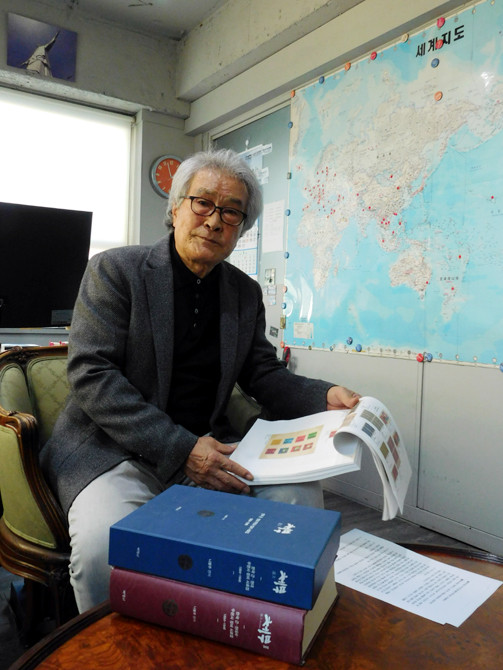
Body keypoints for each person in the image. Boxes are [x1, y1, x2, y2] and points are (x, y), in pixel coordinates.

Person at [41, 148, 360, 613]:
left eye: (231, 212)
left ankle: (262, 625)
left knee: (300, 500)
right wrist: (181, 448)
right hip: (113, 450)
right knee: (103, 549)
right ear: (175, 208)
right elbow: (92, 374)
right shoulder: (116, 270)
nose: (214, 220)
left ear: (241, 229)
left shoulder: (244, 292)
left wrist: (323, 395)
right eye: (203, 203)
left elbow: (262, 373)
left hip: (213, 447)